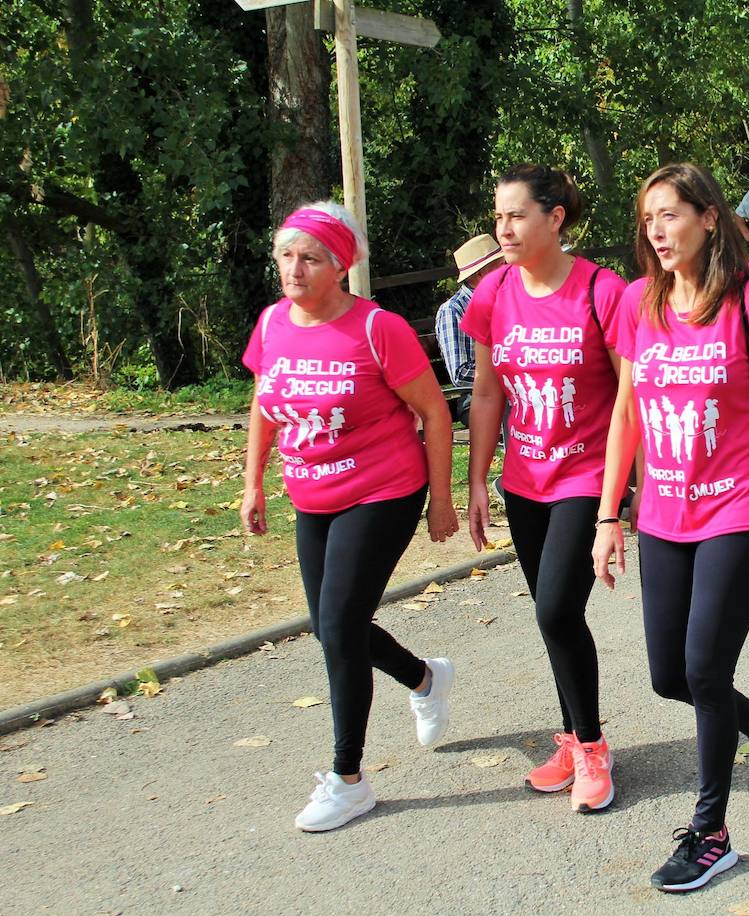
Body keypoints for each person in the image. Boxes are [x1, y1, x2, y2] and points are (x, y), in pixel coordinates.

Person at [593, 163, 749, 893]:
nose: (658, 231)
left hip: (740, 511)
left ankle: (710, 834)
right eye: (648, 218)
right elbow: (625, 415)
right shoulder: (639, 303)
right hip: (664, 514)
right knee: (670, 676)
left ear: (710, 218)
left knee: (703, 669)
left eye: (671, 214)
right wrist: (608, 514)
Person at [240, 202, 460, 832]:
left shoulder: (376, 329)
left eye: (310, 258)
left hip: (382, 491)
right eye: (286, 255)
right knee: (330, 626)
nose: (294, 269)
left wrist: (440, 498)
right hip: (311, 496)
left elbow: (435, 413)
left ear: (340, 266)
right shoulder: (272, 324)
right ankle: (424, 678)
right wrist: (252, 482)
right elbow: (263, 403)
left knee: (339, 625)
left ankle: (348, 779)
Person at [462, 164, 628, 814]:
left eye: (516, 215)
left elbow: (631, 397)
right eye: (498, 217)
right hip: (524, 481)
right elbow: (486, 393)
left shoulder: (601, 290)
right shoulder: (493, 292)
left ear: (555, 218)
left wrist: (622, 499)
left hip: (585, 478)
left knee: (556, 611)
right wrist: (477, 479)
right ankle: (572, 737)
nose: (503, 228)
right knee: (551, 617)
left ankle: (592, 748)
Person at [435, 233, 505, 425]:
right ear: (481, 274)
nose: (508, 270)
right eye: (501, 265)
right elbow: (460, 373)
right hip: (477, 398)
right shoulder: (453, 310)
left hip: (515, 391)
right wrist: (510, 373)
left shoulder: (509, 297)